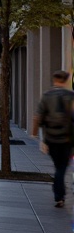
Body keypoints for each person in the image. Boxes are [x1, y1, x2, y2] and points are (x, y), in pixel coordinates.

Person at [31, 69, 74, 208]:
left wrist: (34, 133)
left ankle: (59, 194)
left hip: (51, 137)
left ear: (54, 80)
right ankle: (59, 194)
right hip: (67, 138)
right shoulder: (71, 95)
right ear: (66, 80)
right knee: (62, 166)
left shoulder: (47, 95)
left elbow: (37, 117)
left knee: (58, 166)